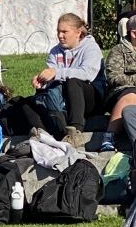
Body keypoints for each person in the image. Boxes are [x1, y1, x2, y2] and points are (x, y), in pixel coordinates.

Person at [29, 13, 105, 146]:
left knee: (73, 81)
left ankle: (76, 131)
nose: (60, 35)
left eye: (64, 31)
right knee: (35, 98)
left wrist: (56, 72)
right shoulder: (55, 51)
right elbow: (53, 76)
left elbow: (87, 74)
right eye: (58, 31)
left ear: (78, 33)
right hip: (66, 98)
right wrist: (42, 81)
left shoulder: (91, 48)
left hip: (92, 97)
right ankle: (45, 129)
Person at [104, 15, 136, 152]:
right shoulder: (118, 52)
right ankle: (109, 137)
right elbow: (113, 77)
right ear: (134, 33)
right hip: (122, 92)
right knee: (131, 95)